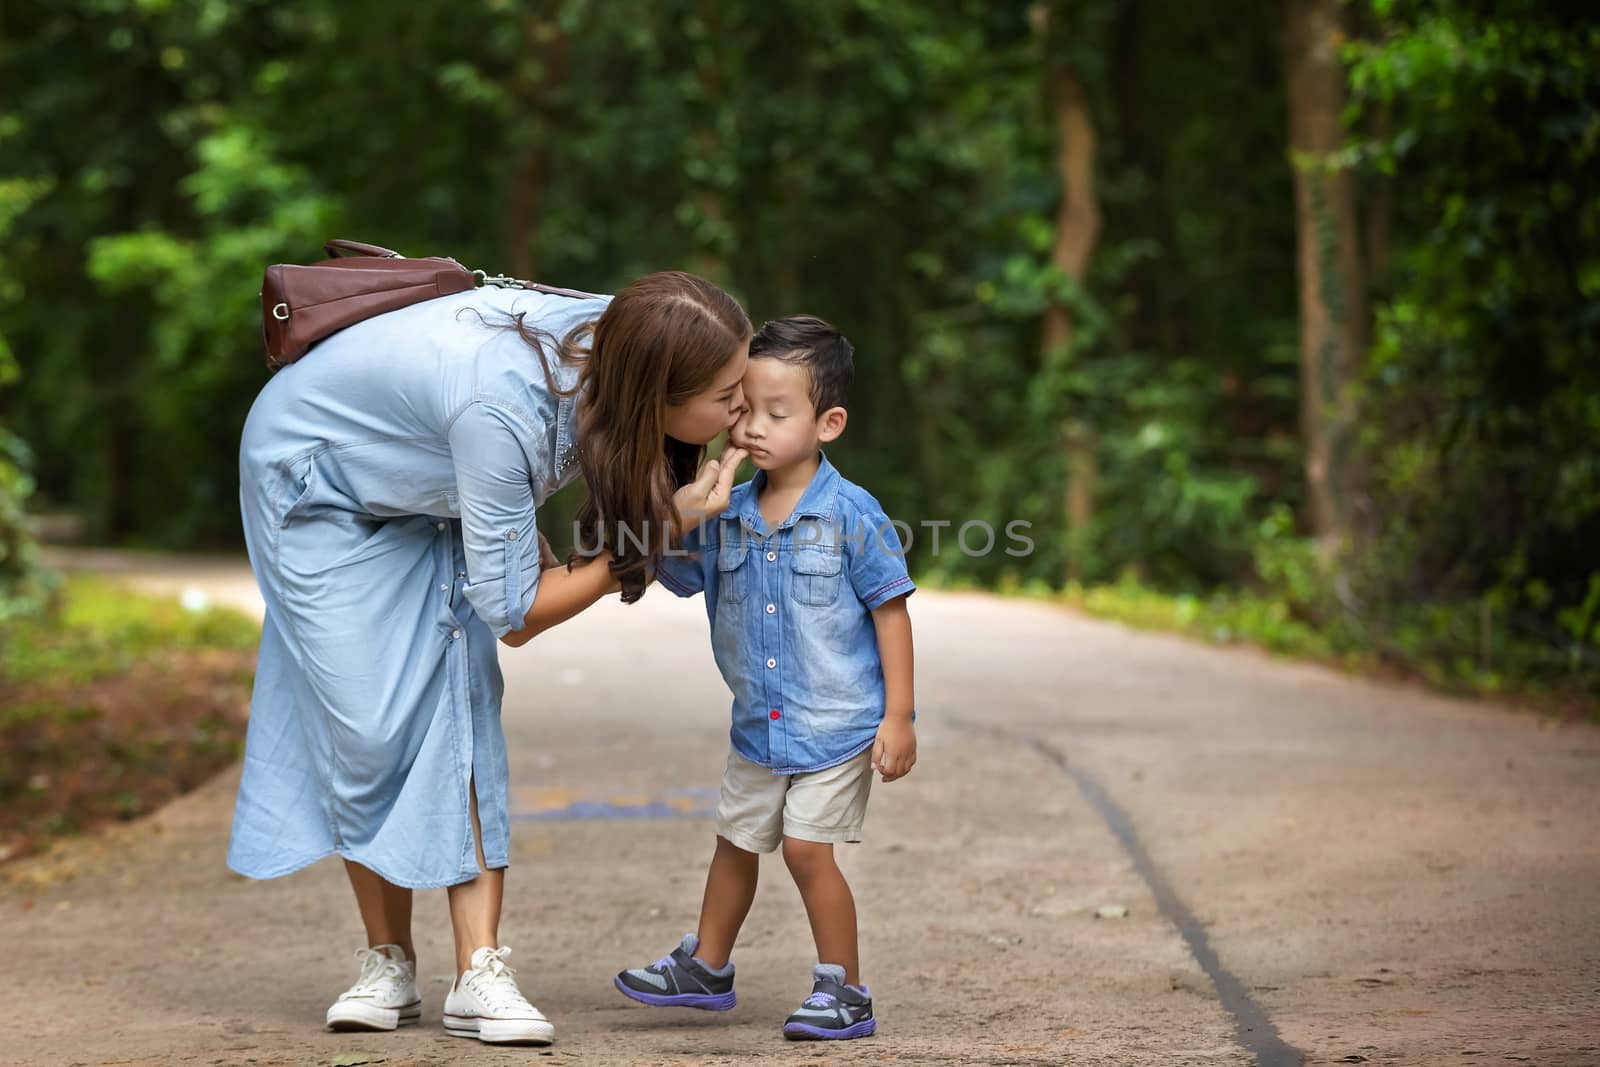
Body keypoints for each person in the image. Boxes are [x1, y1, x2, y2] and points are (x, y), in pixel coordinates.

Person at [231, 270, 750, 1046]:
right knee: (364, 727)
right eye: (726, 394)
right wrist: (655, 533)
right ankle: (387, 962)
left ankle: (479, 972)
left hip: (429, 470)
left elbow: (504, 598)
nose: (739, 408)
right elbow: (515, 615)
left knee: (457, 688)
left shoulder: (625, 337)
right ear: (657, 397)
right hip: (315, 487)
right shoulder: (501, 410)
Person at [614, 316, 917, 1041]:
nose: (753, 427)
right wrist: (687, 493)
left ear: (828, 422)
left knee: (809, 850)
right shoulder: (728, 513)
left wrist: (899, 716)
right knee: (735, 840)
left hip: (837, 723)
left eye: (777, 413)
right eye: (742, 409)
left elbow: (891, 610)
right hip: (759, 726)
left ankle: (843, 987)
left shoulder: (850, 513)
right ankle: (708, 965)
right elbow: (673, 573)